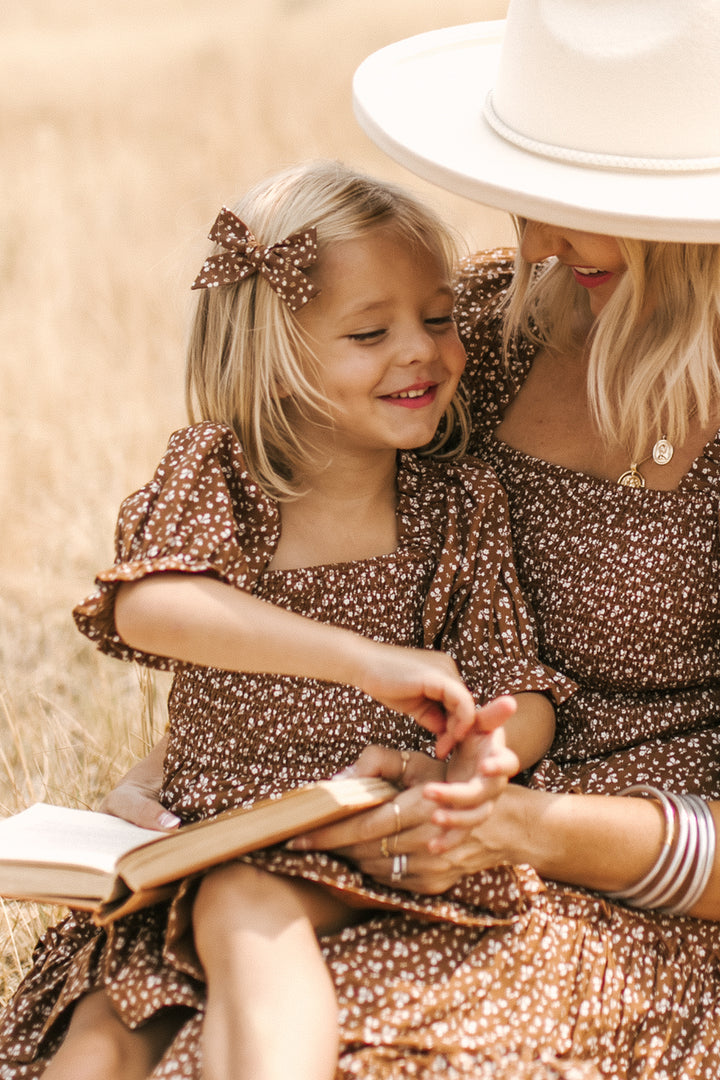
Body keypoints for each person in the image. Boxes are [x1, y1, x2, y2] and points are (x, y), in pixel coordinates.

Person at [56, 1, 720, 1077]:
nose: (539, 242)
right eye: (525, 199)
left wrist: (531, 826)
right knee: (145, 1018)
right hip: (407, 818)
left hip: (630, 888)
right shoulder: (491, 328)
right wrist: (209, 759)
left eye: (582, 206)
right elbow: (329, 536)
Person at [0, 160, 571, 1080]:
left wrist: (484, 752)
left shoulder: (457, 504)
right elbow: (150, 604)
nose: (421, 351)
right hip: (194, 839)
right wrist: (364, 660)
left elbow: (520, 686)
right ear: (274, 353)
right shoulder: (223, 478)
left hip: (352, 839)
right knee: (102, 1034)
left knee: (244, 908)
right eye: (370, 331)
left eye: (437, 317)